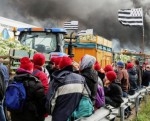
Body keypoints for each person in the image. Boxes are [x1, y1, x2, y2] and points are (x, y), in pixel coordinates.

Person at [46, 56, 89, 121]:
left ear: (60, 66)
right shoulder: (81, 79)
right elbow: (86, 96)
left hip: (59, 117)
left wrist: (52, 113)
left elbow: (50, 102)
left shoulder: (56, 80)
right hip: (76, 116)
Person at [10, 57, 46, 121]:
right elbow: (42, 102)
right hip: (31, 115)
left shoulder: (12, 81)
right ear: (30, 69)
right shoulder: (36, 83)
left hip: (15, 114)